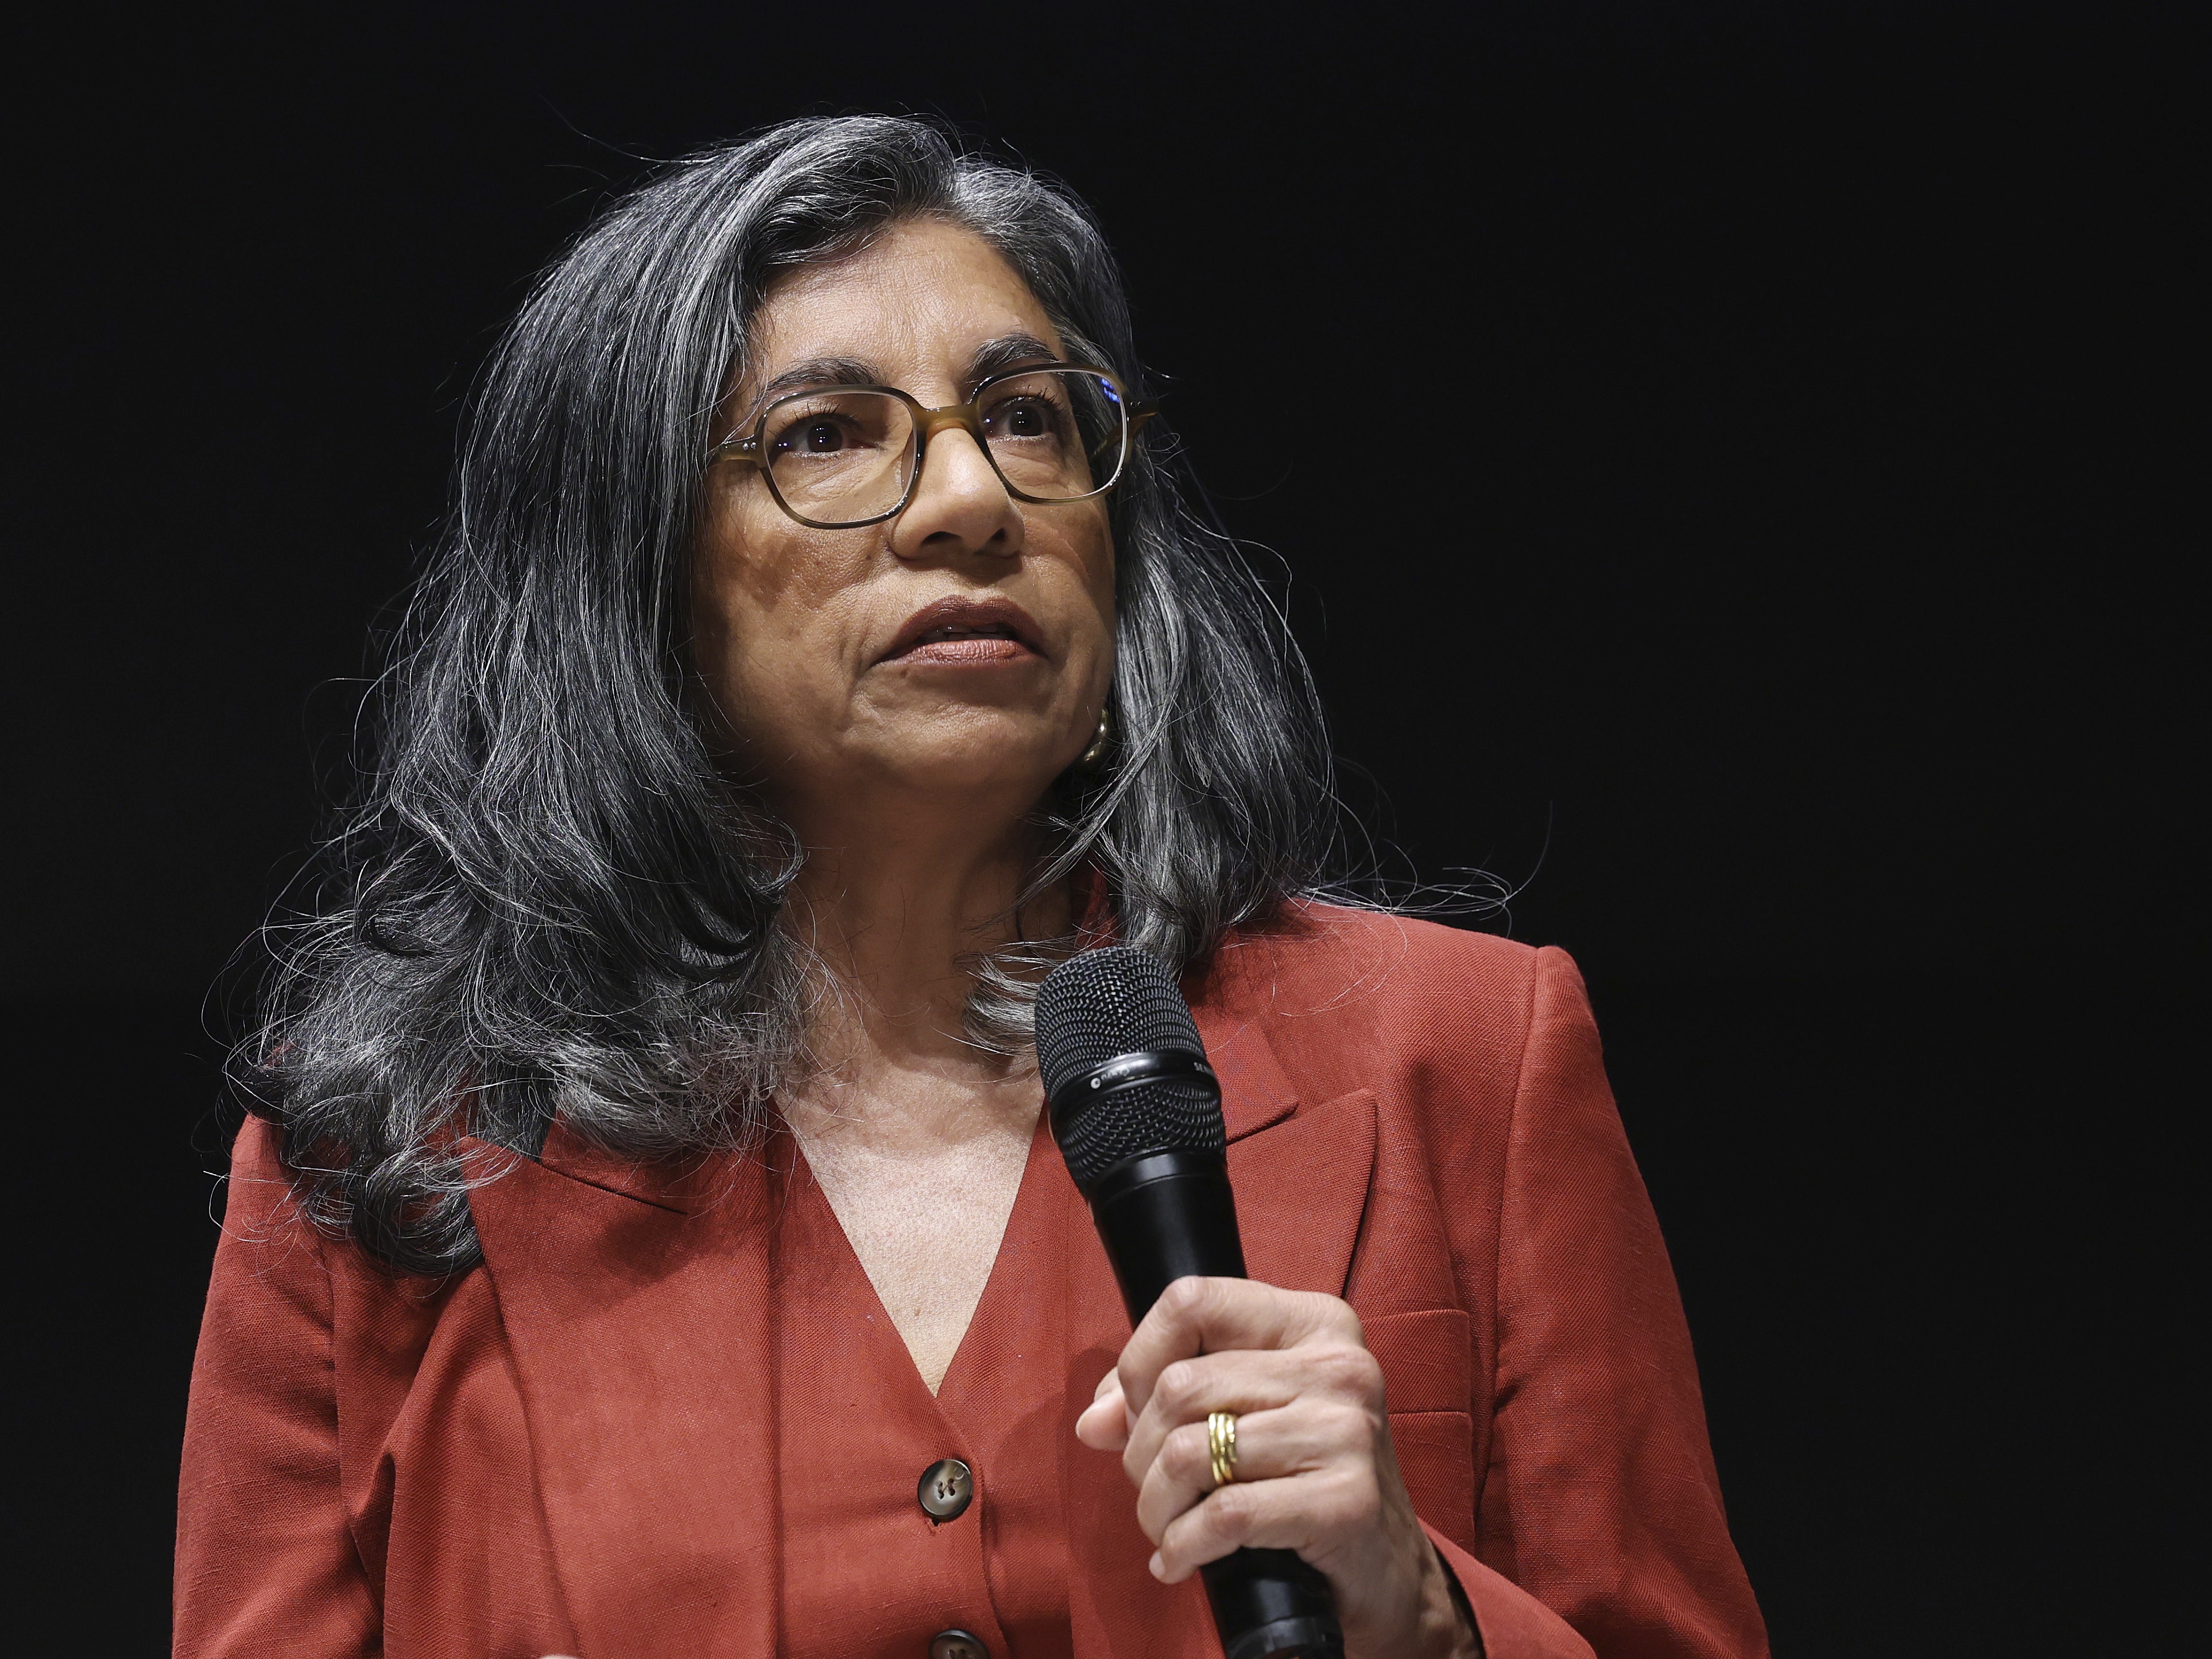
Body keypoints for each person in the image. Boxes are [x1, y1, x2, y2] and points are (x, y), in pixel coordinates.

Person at [175, 116, 1768, 1659]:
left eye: (1027, 417)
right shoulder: (378, 1172)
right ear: (630, 568)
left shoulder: (1468, 1061)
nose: (971, 500)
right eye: (826, 434)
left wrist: (1426, 1617)